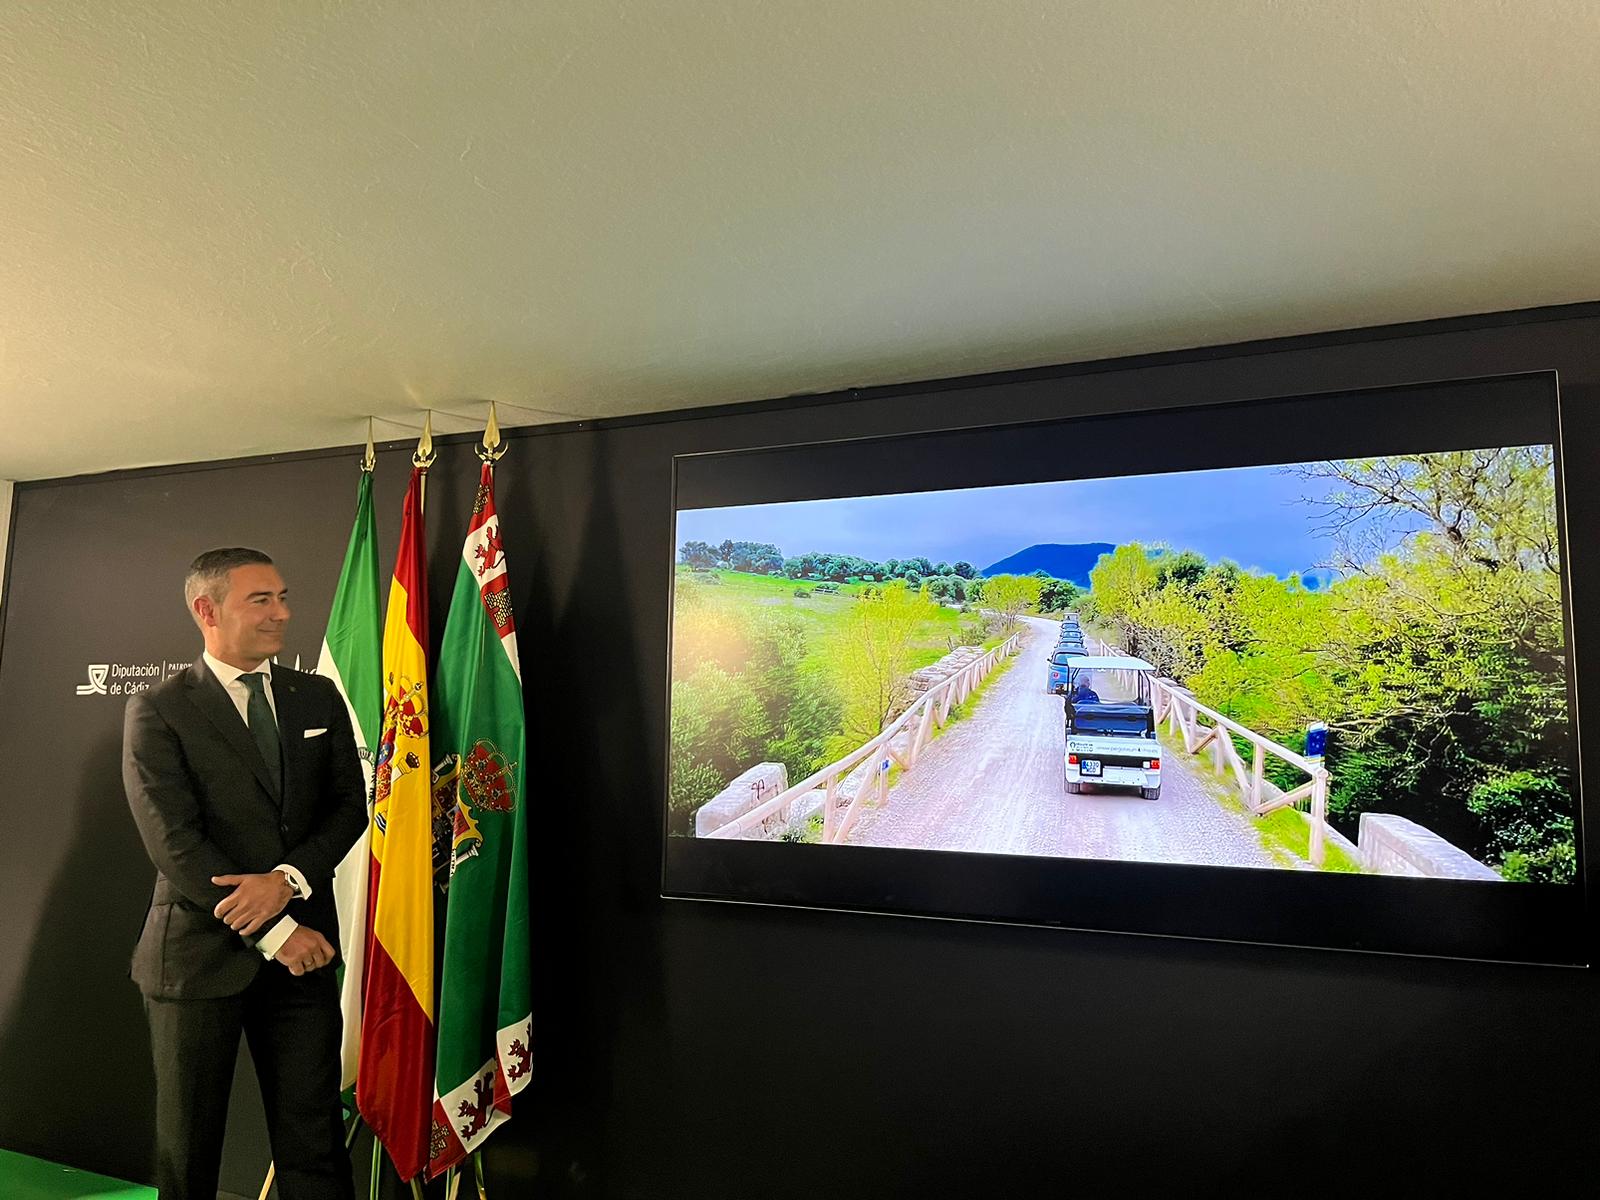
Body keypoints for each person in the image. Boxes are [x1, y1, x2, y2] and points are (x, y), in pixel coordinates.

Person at [123, 548, 367, 1200]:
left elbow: (351, 806)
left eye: (283, 597)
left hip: (303, 964)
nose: (282, 613)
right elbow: (175, 844)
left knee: (314, 1142)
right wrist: (274, 930)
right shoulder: (160, 709)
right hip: (198, 962)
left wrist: (287, 880)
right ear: (207, 610)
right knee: (188, 1150)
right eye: (261, 600)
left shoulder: (316, 697)